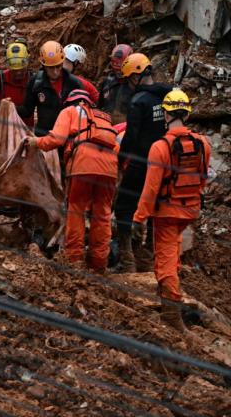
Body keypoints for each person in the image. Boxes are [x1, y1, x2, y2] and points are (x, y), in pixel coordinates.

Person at [131, 89, 210, 331]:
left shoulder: (160, 147)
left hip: (166, 213)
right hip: (190, 210)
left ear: (165, 115)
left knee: (164, 261)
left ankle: (171, 314)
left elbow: (151, 188)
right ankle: (166, 293)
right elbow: (203, 179)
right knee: (172, 253)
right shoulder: (203, 144)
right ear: (186, 115)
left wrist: (139, 218)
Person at [26, 89, 118, 272]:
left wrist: (36, 142)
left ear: (69, 102)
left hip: (83, 165)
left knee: (76, 211)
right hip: (110, 169)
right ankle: (99, 264)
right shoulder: (104, 118)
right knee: (102, 214)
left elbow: (56, 139)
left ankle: (75, 261)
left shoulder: (70, 111)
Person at [113, 53, 174, 273]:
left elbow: (131, 136)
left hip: (141, 163)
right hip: (165, 163)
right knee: (156, 209)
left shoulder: (138, 101)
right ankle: (149, 259)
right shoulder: (168, 96)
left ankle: (128, 261)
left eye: (130, 79)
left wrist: (120, 160)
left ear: (136, 76)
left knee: (124, 207)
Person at [17, 41, 88, 136]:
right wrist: (11, 107)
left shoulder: (74, 84)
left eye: (58, 66)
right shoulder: (36, 82)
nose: (55, 72)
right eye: (51, 68)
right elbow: (27, 110)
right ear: (44, 66)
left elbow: (81, 116)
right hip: (43, 136)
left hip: (66, 137)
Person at [0, 41, 32, 142]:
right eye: (15, 70)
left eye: (22, 69)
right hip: (1, 137)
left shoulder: (33, 81)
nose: (19, 73)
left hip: (27, 138)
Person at [98, 44, 135, 125]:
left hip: (125, 130)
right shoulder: (107, 82)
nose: (118, 72)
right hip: (106, 127)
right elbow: (100, 106)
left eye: (120, 69)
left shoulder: (135, 85)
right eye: (116, 69)